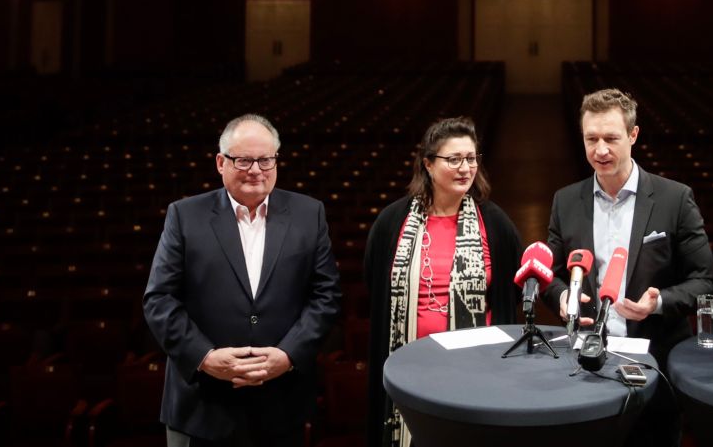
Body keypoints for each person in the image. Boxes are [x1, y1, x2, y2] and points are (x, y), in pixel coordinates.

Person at [143, 113, 340, 447]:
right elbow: (159, 300)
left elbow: (326, 296)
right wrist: (204, 357)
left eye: (265, 160)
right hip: (202, 404)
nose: (255, 170)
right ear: (221, 163)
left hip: (281, 403)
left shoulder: (310, 214)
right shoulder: (184, 215)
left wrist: (289, 355)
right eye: (243, 160)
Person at [544, 88, 713, 447]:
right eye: (591, 139)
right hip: (586, 361)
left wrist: (659, 302)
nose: (600, 150)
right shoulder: (566, 201)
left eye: (611, 138)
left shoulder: (674, 198)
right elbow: (552, 275)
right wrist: (563, 297)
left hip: (654, 360)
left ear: (633, 136)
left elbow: (703, 281)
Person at [364, 117, 522, 447]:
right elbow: (373, 284)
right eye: (454, 159)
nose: (465, 168)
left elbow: (515, 289)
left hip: (478, 370)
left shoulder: (493, 221)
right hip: (409, 367)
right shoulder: (392, 221)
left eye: (471, 158)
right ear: (428, 164)